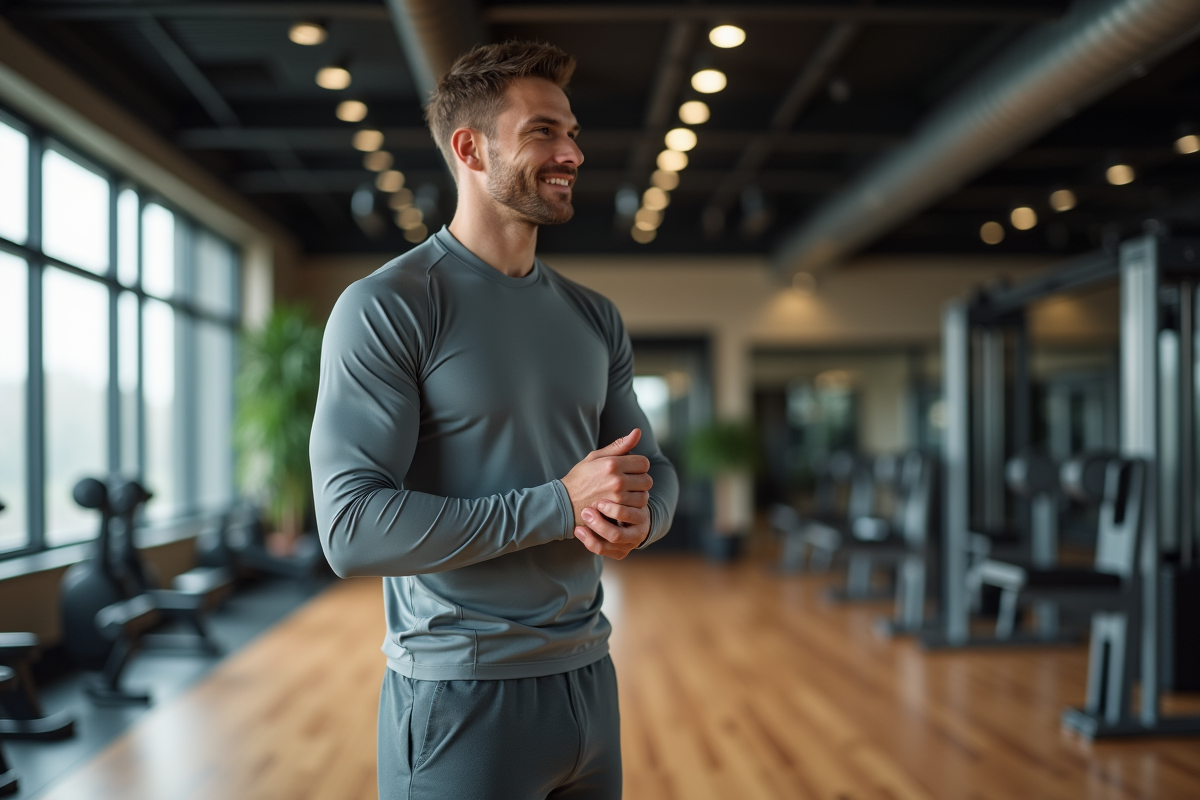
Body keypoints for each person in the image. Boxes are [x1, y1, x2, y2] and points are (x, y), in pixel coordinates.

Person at [309, 40, 679, 800]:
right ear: (470, 149)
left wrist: (641, 520)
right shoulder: (388, 306)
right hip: (460, 695)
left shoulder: (594, 316)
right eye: (543, 131)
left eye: (571, 132)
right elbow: (350, 529)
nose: (572, 153)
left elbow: (655, 470)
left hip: (589, 681)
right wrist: (560, 505)